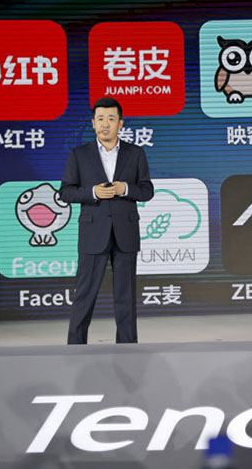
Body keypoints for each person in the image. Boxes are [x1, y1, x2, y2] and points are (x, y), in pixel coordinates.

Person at [59, 97, 154, 344]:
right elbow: (66, 192)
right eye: (100, 118)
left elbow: (147, 191)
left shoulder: (136, 153)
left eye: (111, 119)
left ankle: (128, 348)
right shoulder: (79, 154)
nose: (105, 124)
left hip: (126, 233)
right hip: (93, 233)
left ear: (120, 123)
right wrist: (93, 192)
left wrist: (125, 189)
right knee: (84, 295)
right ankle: (75, 347)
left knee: (126, 297)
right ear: (93, 123)